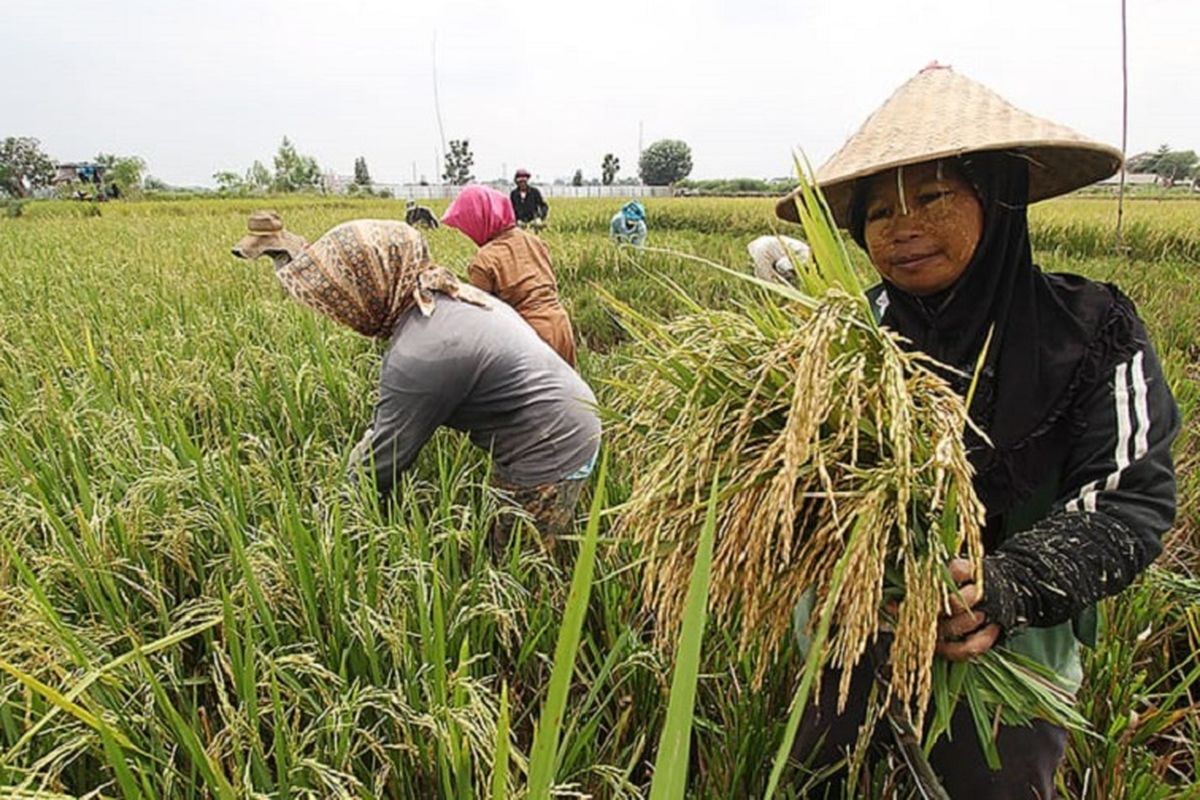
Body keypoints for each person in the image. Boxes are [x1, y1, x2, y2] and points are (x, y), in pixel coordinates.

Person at [775, 64, 1180, 796]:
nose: (903, 228)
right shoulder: (841, 340)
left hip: (1008, 659)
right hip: (850, 640)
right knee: (821, 780)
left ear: (997, 201)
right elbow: (784, 486)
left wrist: (1006, 585)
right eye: (878, 213)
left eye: (933, 196)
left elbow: (1131, 498)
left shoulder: (1092, 330)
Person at [245, 217, 600, 548]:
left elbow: (383, 460)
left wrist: (327, 522)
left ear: (369, 291)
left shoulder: (420, 353)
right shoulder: (450, 295)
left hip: (552, 449)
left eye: (342, 300)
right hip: (571, 418)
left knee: (515, 563)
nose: (340, 314)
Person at [443, 184, 578, 367]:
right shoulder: (534, 241)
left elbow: (479, 316)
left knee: (535, 394)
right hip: (561, 325)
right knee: (568, 392)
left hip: (529, 336)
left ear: (479, 220)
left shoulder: (485, 260)